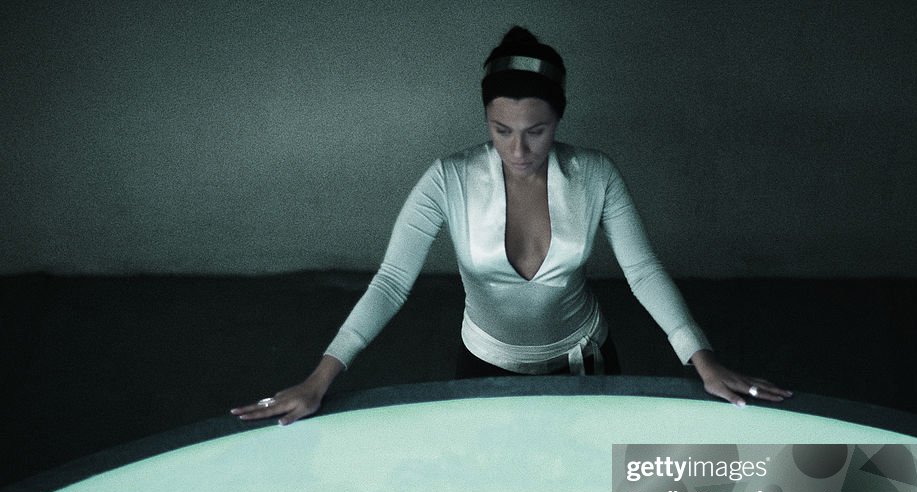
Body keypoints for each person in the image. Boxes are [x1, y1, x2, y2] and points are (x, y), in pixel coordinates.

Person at [232, 27, 791, 425]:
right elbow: (391, 283)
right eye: (501, 131)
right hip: (484, 365)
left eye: (536, 131)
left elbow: (643, 272)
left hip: (586, 363)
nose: (518, 149)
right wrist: (318, 379)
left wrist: (703, 358)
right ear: (486, 122)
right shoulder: (446, 179)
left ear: (559, 119)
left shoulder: (595, 173)